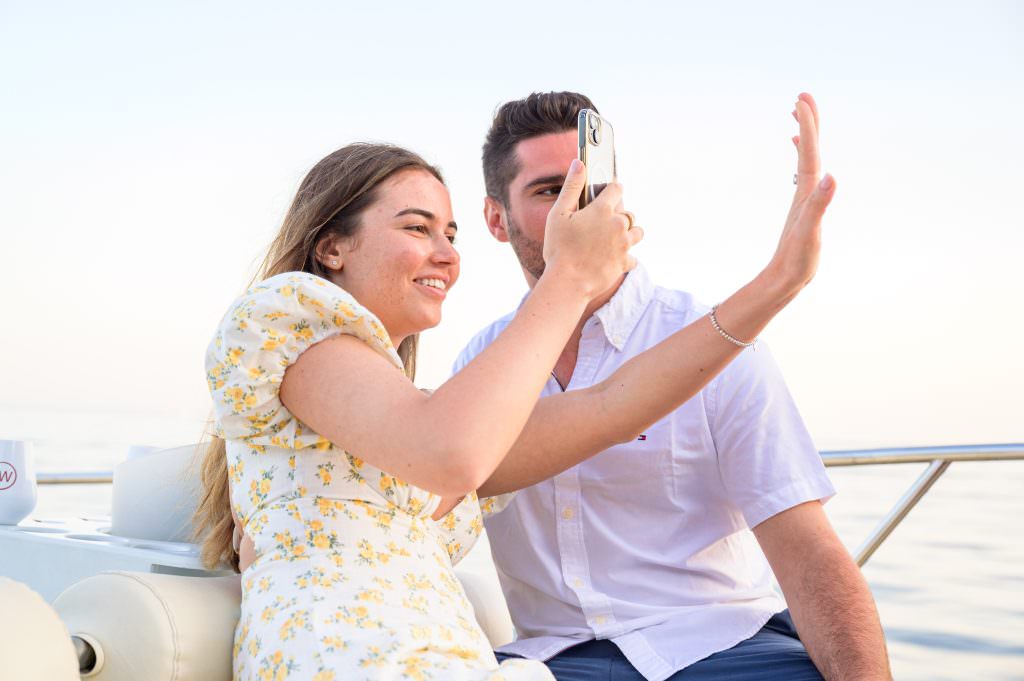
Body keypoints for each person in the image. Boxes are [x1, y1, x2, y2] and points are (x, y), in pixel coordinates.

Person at [197, 91, 834, 680]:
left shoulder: (412, 410)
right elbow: (451, 455)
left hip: (457, 660)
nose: (447, 253)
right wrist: (572, 276)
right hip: (350, 660)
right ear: (332, 246)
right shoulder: (282, 318)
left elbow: (612, 405)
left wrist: (777, 283)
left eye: (450, 234)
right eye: (418, 228)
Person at [451, 91, 890, 681]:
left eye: (593, 186)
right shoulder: (480, 363)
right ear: (495, 220)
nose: (578, 207)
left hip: (723, 648)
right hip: (553, 659)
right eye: (550, 190)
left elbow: (807, 549)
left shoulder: (712, 342)